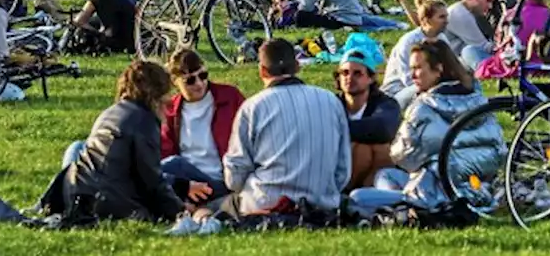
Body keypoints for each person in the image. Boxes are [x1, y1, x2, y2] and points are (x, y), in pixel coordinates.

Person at [349, 41, 502, 217]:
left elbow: (402, 157)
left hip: (434, 195)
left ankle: (406, 210)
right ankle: (403, 209)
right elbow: (499, 150)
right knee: (387, 175)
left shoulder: (424, 107)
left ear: (438, 69)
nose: (412, 75)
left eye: (417, 68)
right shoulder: (478, 100)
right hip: (477, 190)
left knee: (358, 196)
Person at [219, 39, 350, 218]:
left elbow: (234, 177)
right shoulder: (331, 101)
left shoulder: (253, 107)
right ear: (297, 66)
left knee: (215, 208)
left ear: (262, 71)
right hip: (322, 204)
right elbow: (343, 171)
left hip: (264, 204)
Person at [54, 60, 193, 223]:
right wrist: (180, 212)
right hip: (108, 202)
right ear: (157, 93)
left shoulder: (110, 112)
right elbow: (151, 181)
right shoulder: (144, 121)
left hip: (76, 192)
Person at [159, 49, 246, 203]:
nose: (199, 83)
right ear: (175, 81)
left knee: (173, 164)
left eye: (203, 75)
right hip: (188, 181)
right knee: (158, 169)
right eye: (190, 81)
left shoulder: (230, 97)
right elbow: (164, 150)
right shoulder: (170, 109)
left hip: (222, 180)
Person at [335, 49, 402, 189]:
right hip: (336, 163)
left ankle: (363, 193)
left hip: (372, 169)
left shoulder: (386, 104)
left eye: (357, 73)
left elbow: (383, 129)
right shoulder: (331, 103)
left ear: (371, 78)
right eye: (344, 73)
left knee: (381, 149)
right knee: (363, 149)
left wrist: (339, 129)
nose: (349, 78)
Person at [473, 0, 550, 77]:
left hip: (510, 63)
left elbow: (498, 42)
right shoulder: (549, 15)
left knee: (470, 50)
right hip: (539, 64)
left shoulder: (510, 14)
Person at [382, 0, 449, 108]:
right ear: (426, 20)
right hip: (398, 90)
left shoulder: (442, 39)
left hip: (429, 85)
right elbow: (408, 79)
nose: (447, 21)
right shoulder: (409, 41)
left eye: (447, 16)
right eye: (442, 17)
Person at [71, 0, 135, 53]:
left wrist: (95, 32)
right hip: (129, 42)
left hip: (112, 43)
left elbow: (79, 21)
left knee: (81, 27)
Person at [444, 0, 497, 68]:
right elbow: (483, 46)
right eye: (487, 1)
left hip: (455, 59)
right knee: (470, 51)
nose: (490, 6)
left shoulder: (467, 11)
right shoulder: (460, 15)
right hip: (452, 62)